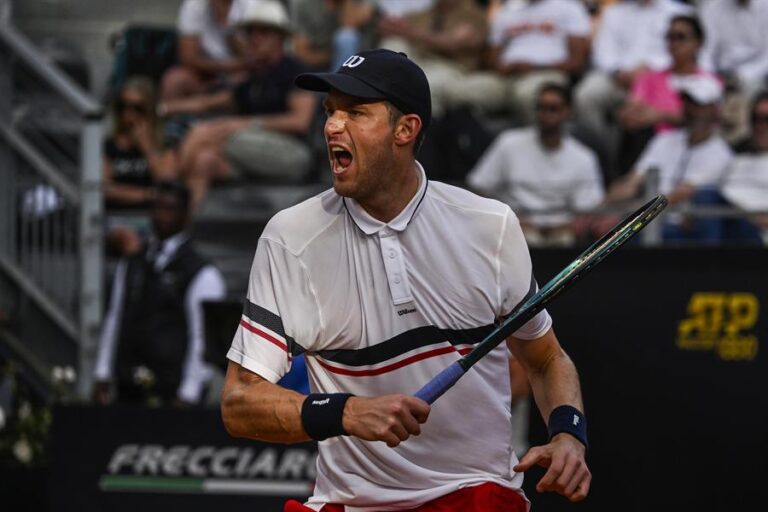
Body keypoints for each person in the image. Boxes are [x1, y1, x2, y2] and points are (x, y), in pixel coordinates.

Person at [221, 48, 591, 511]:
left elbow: (545, 359)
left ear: (405, 129)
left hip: (472, 494)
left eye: (356, 112)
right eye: (331, 112)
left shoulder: (489, 225)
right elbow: (239, 403)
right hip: (349, 503)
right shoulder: (289, 238)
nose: (333, 126)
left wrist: (568, 433)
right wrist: (347, 412)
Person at [160, 0, 318, 208]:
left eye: (262, 33)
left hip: (293, 154)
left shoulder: (294, 70)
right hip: (250, 150)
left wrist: (243, 124)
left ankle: (167, 191)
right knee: (204, 160)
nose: (254, 39)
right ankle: (187, 228)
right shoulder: (255, 76)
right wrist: (165, 108)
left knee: (210, 132)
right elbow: (212, 102)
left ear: (279, 37)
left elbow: (300, 121)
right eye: (250, 33)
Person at [93, 181, 226, 407]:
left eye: (170, 208)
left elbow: (202, 338)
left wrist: (190, 391)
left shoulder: (201, 272)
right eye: (157, 207)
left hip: (172, 389)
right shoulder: (132, 262)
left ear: (186, 215)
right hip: (128, 384)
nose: (162, 215)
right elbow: (115, 317)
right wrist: (103, 372)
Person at [466, 82, 604, 247]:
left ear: (568, 112)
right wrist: (507, 218)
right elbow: (479, 186)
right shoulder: (508, 143)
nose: (545, 114)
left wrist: (563, 227)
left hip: (564, 235)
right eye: (540, 108)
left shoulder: (584, 157)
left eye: (553, 108)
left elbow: (587, 209)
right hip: (513, 227)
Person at [603, 74, 734, 243]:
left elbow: (675, 197)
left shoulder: (721, 154)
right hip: (649, 221)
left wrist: (624, 217)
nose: (691, 109)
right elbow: (632, 181)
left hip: (683, 232)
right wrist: (600, 210)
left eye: (699, 104)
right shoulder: (664, 140)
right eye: (687, 102)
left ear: (715, 110)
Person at [573, 0, 694, 178]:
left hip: (662, 78)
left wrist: (651, 71)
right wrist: (618, 72)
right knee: (587, 95)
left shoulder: (679, 11)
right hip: (619, 79)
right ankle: (601, 162)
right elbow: (603, 52)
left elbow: (683, 51)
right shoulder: (614, 12)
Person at [446, 0, 591, 125]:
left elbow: (576, 61)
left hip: (547, 73)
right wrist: (502, 68)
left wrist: (534, 67)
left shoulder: (569, 8)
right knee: (459, 93)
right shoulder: (508, 10)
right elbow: (491, 57)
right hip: (505, 77)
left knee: (527, 95)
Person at [615, 15, 718, 174]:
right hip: (652, 145)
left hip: (690, 146)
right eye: (670, 37)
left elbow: (707, 117)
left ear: (698, 43)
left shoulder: (708, 82)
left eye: (680, 37)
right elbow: (633, 109)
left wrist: (661, 115)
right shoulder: (649, 77)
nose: (674, 43)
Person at [103, 76, 179, 256]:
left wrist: (147, 148)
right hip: (116, 219)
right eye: (123, 107)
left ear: (149, 111)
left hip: (152, 220)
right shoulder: (108, 146)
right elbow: (106, 189)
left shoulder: (164, 147)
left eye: (137, 108)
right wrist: (148, 195)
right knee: (130, 241)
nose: (128, 115)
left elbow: (168, 182)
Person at [160, 0, 245, 101]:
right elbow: (188, 57)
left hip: (241, 71)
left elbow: (252, 55)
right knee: (173, 80)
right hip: (207, 72)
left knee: (243, 81)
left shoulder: (251, 4)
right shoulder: (195, 4)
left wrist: (226, 25)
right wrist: (224, 67)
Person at [720, 90, 768, 244]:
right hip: (730, 230)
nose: (761, 126)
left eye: (767, 119)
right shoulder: (737, 160)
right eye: (756, 119)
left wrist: (749, 217)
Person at [291, 0, 378, 72]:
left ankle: (340, 87)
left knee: (347, 37)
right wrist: (333, 55)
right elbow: (302, 54)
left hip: (357, 65)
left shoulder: (360, 3)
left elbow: (348, 27)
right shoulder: (305, 5)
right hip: (317, 68)